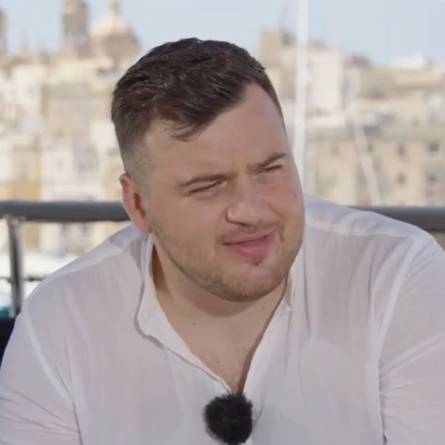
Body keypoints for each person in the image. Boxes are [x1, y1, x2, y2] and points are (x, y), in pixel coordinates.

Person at [0, 38, 444, 445]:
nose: (251, 210)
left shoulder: (395, 278)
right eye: (208, 186)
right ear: (138, 205)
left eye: (270, 169)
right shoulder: (60, 324)